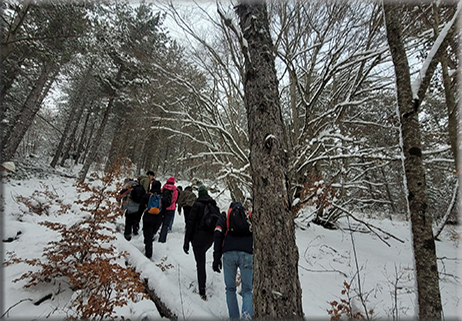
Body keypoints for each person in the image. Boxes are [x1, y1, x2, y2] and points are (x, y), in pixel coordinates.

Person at [213, 202, 253, 319]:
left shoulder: (225, 215)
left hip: (229, 253)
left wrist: (217, 257)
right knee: (248, 290)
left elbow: (218, 233)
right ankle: (247, 317)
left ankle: (234, 318)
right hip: (247, 253)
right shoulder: (249, 215)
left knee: (230, 289)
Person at [183, 185, 218, 300]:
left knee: (200, 263)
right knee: (201, 259)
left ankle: (202, 290)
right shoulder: (214, 206)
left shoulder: (197, 205)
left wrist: (186, 241)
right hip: (210, 238)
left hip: (198, 238)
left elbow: (190, 223)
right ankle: (202, 287)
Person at [138, 180, 163, 259]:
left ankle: (148, 254)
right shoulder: (162, 197)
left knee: (147, 236)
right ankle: (149, 242)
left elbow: (141, 207)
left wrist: (138, 219)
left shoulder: (147, 196)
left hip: (148, 218)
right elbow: (164, 209)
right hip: (158, 220)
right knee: (151, 234)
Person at [158, 176, 178, 243]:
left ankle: (154, 234)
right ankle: (162, 239)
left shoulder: (163, 187)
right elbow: (174, 199)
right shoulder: (175, 190)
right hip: (171, 208)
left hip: (162, 207)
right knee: (166, 225)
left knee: (159, 222)